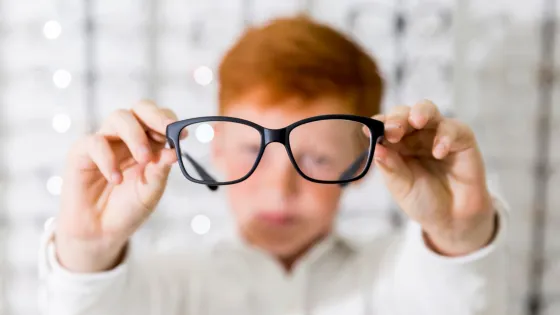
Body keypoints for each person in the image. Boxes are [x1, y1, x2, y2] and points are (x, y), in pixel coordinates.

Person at [38, 16, 508, 315]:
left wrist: (459, 237)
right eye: (250, 151)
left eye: (316, 158)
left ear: (363, 160)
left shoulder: (398, 280)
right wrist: (88, 250)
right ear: (216, 148)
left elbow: (460, 298)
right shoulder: (165, 289)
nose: (279, 190)